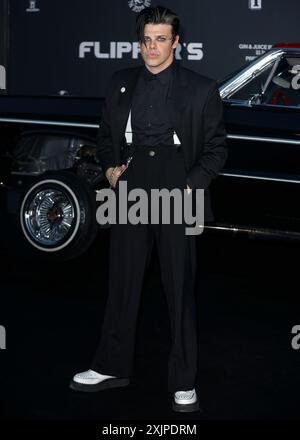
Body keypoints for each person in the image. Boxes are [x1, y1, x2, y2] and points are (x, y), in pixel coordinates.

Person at [70, 5, 227, 413]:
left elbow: (216, 152)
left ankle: (184, 381)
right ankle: (110, 366)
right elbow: (105, 135)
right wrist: (109, 169)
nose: (152, 48)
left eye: (161, 39)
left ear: (176, 43)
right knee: (122, 281)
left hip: (179, 186)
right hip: (131, 183)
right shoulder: (119, 82)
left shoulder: (202, 88)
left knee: (179, 289)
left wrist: (188, 186)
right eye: (146, 40)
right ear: (138, 43)